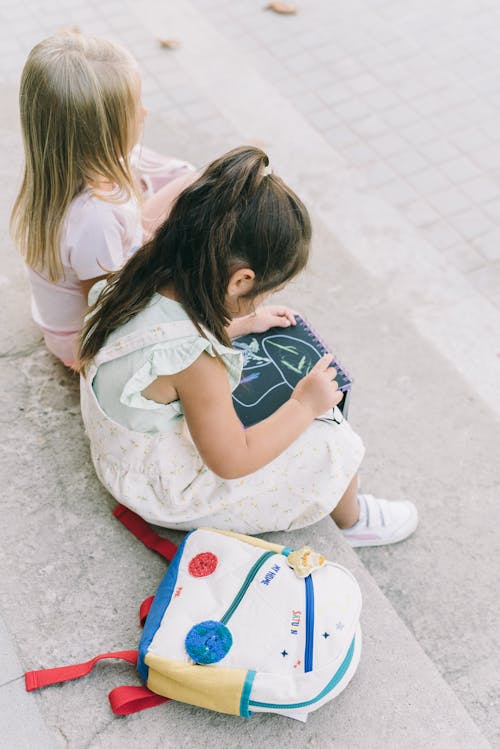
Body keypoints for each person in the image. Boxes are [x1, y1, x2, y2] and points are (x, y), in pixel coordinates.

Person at [77, 146, 418, 545]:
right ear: (241, 280)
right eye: (261, 293)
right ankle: (353, 520)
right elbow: (231, 460)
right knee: (333, 438)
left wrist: (243, 323)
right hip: (159, 491)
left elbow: (159, 336)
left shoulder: (139, 274)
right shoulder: (198, 366)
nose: (258, 303)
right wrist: (303, 405)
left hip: (119, 454)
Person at [10, 32, 195, 369]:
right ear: (103, 133)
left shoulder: (61, 169)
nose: (145, 112)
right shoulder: (93, 218)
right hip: (80, 342)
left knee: (192, 181)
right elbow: (107, 309)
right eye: (135, 107)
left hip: (85, 289)